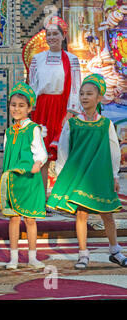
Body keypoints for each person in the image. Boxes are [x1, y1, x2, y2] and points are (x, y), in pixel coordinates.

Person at [47, 74, 125, 269]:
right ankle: (83, 254)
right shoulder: (72, 124)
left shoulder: (105, 124)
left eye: (89, 94)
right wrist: (61, 173)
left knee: (107, 213)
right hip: (80, 175)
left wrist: (114, 175)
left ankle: (115, 251)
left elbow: (114, 150)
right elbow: (64, 149)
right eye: (82, 93)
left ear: (99, 98)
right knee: (81, 213)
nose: (84, 97)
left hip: (100, 174)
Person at [28, 16, 82, 191]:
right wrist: (30, 110)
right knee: (41, 154)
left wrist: (70, 112)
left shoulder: (72, 60)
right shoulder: (38, 59)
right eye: (48, 34)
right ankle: (42, 195)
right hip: (42, 108)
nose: (51, 37)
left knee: (64, 152)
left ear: (63, 36)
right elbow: (32, 86)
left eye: (55, 34)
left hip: (62, 108)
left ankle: (63, 195)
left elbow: (75, 87)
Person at [0, 82, 48, 270]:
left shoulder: (33, 129)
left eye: (21, 105)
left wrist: (38, 164)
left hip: (29, 178)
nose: (16, 109)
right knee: (13, 218)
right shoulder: (9, 131)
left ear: (29, 108)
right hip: (13, 180)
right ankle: (13, 257)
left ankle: (32, 256)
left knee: (29, 219)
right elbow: (7, 155)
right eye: (13, 105)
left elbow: (41, 152)